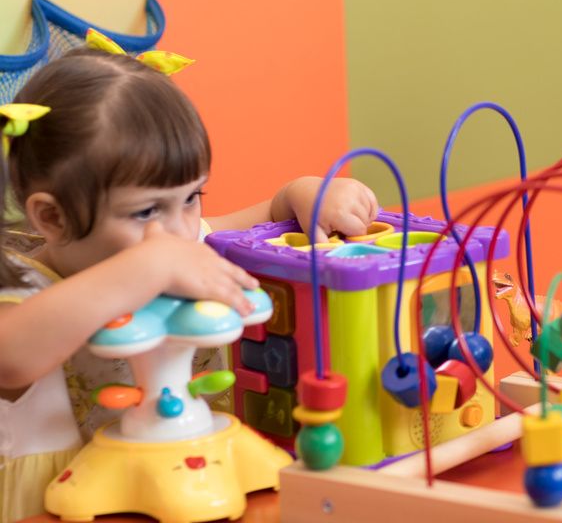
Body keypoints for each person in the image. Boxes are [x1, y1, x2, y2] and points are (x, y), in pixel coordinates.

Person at [0, 41, 379, 520]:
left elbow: (268, 215)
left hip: (191, 488)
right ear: (52, 218)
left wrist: (302, 193)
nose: (179, 229)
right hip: (62, 508)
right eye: (146, 209)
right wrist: (146, 269)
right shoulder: (21, 284)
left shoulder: (172, 242)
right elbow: (11, 357)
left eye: (193, 196)